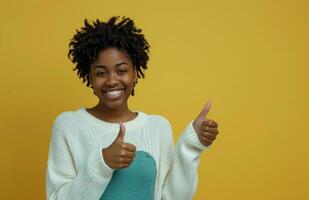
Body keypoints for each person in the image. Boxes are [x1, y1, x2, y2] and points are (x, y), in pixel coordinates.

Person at [46, 16, 219, 200]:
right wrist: (102, 163)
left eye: (121, 71)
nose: (112, 80)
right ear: (89, 77)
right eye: (101, 73)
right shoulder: (68, 125)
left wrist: (192, 145)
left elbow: (172, 197)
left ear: (135, 73)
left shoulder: (158, 127)